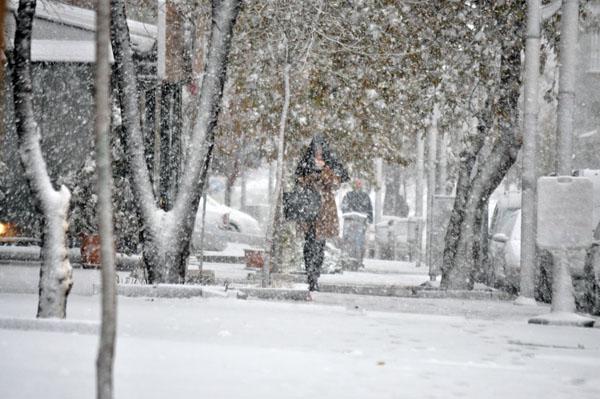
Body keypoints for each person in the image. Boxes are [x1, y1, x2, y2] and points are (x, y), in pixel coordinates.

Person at [295, 134, 349, 291]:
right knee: (309, 243)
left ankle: (315, 274)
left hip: (325, 207)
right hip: (309, 206)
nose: (318, 151)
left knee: (320, 244)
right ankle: (310, 275)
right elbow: (298, 179)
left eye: (321, 147)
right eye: (316, 147)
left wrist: (326, 174)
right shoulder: (306, 162)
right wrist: (310, 178)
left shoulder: (331, 163)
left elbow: (337, 181)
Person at [341, 178, 373, 269]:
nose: (358, 185)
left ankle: (358, 262)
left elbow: (369, 209)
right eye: (356, 183)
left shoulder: (364, 196)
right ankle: (348, 261)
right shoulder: (349, 195)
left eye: (359, 183)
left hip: (359, 222)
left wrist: (369, 220)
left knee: (359, 243)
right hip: (351, 222)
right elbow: (344, 207)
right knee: (349, 242)